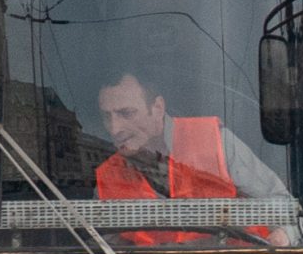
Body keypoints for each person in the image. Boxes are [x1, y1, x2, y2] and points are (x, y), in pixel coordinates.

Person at [93, 68, 290, 243]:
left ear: (158, 108)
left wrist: (282, 236)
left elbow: (281, 205)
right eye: (106, 116)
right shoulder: (106, 179)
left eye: (126, 113)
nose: (114, 128)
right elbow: (104, 252)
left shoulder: (216, 141)